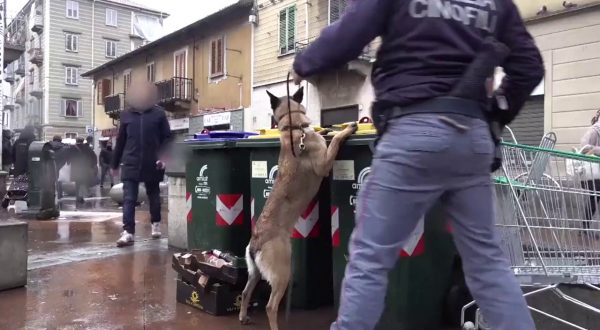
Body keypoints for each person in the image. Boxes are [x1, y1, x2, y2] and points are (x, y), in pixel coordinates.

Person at [292, 1, 544, 329]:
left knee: (371, 257)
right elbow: (529, 66)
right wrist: (494, 116)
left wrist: (304, 63)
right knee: (488, 263)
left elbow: (350, 32)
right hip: (472, 136)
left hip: (412, 133)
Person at [112, 79, 171, 247]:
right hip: (131, 162)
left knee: (153, 196)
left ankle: (156, 224)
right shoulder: (126, 115)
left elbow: (167, 138)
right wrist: (115, 164)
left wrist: (164, 158)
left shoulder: (159, 114)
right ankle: (128, 232)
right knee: (129, 198)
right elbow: (121, 141)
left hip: (153, 162)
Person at [579, 109, 600, 238]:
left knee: (594, 198)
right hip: (594, 172)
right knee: (594, 198)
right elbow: (584, 147)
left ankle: (584, 228)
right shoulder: (594, 130)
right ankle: (584, 228)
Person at [69, 137, 98, 207]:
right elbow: (94, 157)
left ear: (76, 141)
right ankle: (85, 194)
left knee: (77, 183)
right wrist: (92, 165)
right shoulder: (87, 148)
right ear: (83, 141)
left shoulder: (73, 148)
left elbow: (69, 157)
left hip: (76, 168)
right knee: (85, 181)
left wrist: (69, 162)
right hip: (85, 168)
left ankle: (78, 196)